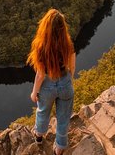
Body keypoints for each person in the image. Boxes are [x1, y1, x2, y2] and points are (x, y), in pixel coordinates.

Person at [27, 8, 76, 154]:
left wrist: (34, 92)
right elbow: (72, 66)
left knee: (42, 112)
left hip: (47, 85)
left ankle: (39, 136)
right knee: (63, 117)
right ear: (62, 27)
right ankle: (60, 148)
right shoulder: (68, 43)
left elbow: (40, 75)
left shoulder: (40, 46)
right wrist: (68, 81)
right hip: (65, 81)